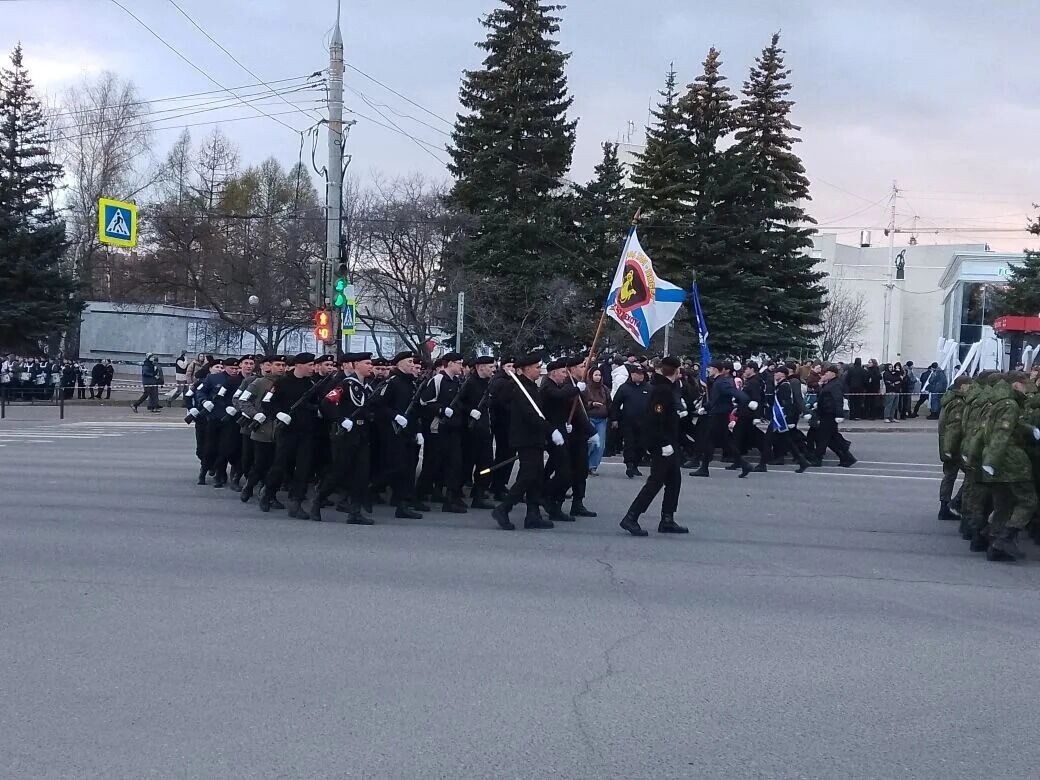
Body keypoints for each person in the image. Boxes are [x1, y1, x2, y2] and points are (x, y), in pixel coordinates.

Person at [619, 356, 690, 537]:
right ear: (676, 371)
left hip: (669, 442)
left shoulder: (668, 387)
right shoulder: (661, 390)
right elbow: (656, 418)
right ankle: (631, 517)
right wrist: (663, 443)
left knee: (674, 481)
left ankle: (667, 518)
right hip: (662, 443)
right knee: (656, 481)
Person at [309, 352, 377, 524]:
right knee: (338, 472)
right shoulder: (345, 384)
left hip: (362, 435)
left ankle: (355, 512)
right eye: (367, 363)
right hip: (346, 436)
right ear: (356, 365)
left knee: (361, 474)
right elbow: (326, 403)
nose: (370, 366)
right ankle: (317, 500)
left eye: (371, 363)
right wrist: (340, 419)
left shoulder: (366, 386)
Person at [491, 354, 553, 531]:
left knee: (536, 476)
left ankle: (533, 515)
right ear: (525, 370)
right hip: (525, 438)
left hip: (535, 438)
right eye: (535, 367)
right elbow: (530, 415)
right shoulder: (518, 387)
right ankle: (504, 508)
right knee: (528, 475)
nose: (539, 370)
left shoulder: (531, 386)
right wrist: (550, 430)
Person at [690, 361, 755, 478]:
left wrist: (747, 401)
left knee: (712, 441)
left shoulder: (721, 382)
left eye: (710, 368)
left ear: (716, 369)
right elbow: (716, 398)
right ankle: (743, 464)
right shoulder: (718, 382)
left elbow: (733, 392)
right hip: (718, 414)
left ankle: (705, 468)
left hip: (719, 415)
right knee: (722, 442)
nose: (708, 370)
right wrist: (705, 408)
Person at [808, 365, 856, 468]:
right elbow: (824, 397)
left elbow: (838, 400)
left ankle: (817, 459)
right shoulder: (830, 383)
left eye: (826, 373)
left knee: (823, 438)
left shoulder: (835, 384)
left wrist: (839, 414)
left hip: (830, 414)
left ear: (833, 373)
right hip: (826, 413)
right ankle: (847, 458)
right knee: (831, 439)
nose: (824, 374)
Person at [611, 364, 651, 478]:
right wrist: (614, 419)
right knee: (630, 444)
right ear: (632, 375)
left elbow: (656, 404)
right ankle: (629, 465)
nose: (641, 376)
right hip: (628, 422)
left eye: (642, 374)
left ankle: (636, 465)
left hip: (644, 423)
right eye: (638, 374)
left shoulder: (648, 388)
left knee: (641, 444)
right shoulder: (624, 388)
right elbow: (616, 404)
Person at [584, 367, 609, 475]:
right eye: (595, 375)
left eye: (599, 375)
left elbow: (609, 402)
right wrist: (592, 404)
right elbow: (583, 402)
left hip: (602, 419)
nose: (598, 377)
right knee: (591, 443)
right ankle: (584, 464)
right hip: (590, 418)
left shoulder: (604, 389)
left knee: (600, 444)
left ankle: (592, 466)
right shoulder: (586, 388)